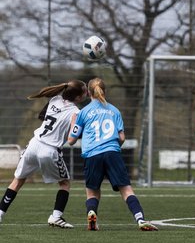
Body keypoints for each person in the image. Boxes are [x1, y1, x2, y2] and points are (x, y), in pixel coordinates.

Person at [68, 77, 158, 231]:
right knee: (126, 190)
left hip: (92, 155)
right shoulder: (114, 110)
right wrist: (114, 145)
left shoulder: (83, 113)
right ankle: (141, 219)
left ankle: (92, 214)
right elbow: (122, 137)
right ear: (105, 91)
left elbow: (71, 140)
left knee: (92, 192)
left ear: (89, 93)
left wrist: (73, 122)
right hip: (112, 153)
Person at [0, 80, 87, 228]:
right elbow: (73, 137)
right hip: (50, 150)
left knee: (17, 180)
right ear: (78, 98)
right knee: (64, 183)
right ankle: (56, 216)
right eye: (85, 92)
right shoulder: (76, 113)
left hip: (33, 144)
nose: (87, 93)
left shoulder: (55, 99)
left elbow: (42, 116)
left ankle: (0, 213)